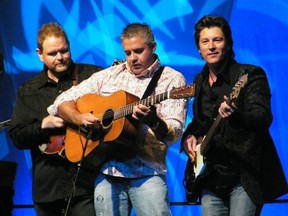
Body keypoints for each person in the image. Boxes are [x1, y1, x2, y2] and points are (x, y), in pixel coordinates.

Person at [48, 22, 188, 215]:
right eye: (128, 53)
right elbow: (60, 101)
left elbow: (174, 133)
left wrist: (153, 121)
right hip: (108, 171)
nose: (132, 58)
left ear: (153, 47)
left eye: (138, 51)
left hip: (147, 173)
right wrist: (80, 117)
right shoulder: (110, 74)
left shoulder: (172, 80)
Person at [181, 15, 288, 216]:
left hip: (244, 175)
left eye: (217, 40)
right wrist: (188, 136)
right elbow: (200, 122)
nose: (211, 46)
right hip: (210, 177)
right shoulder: (200, 81)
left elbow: (263, 118)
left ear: (228, 44)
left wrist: (236, 115)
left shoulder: (249, 74)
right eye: (205, 41)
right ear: (199, 49)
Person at [9, 23, 103, 216]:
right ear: (39, 54)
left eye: (64, 50)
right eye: (52, 53)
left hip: (88, 185)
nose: (60, 57)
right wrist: (43, 125)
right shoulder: (29, 90)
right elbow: (17, 136)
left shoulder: (93, 76)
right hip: (48, 189)